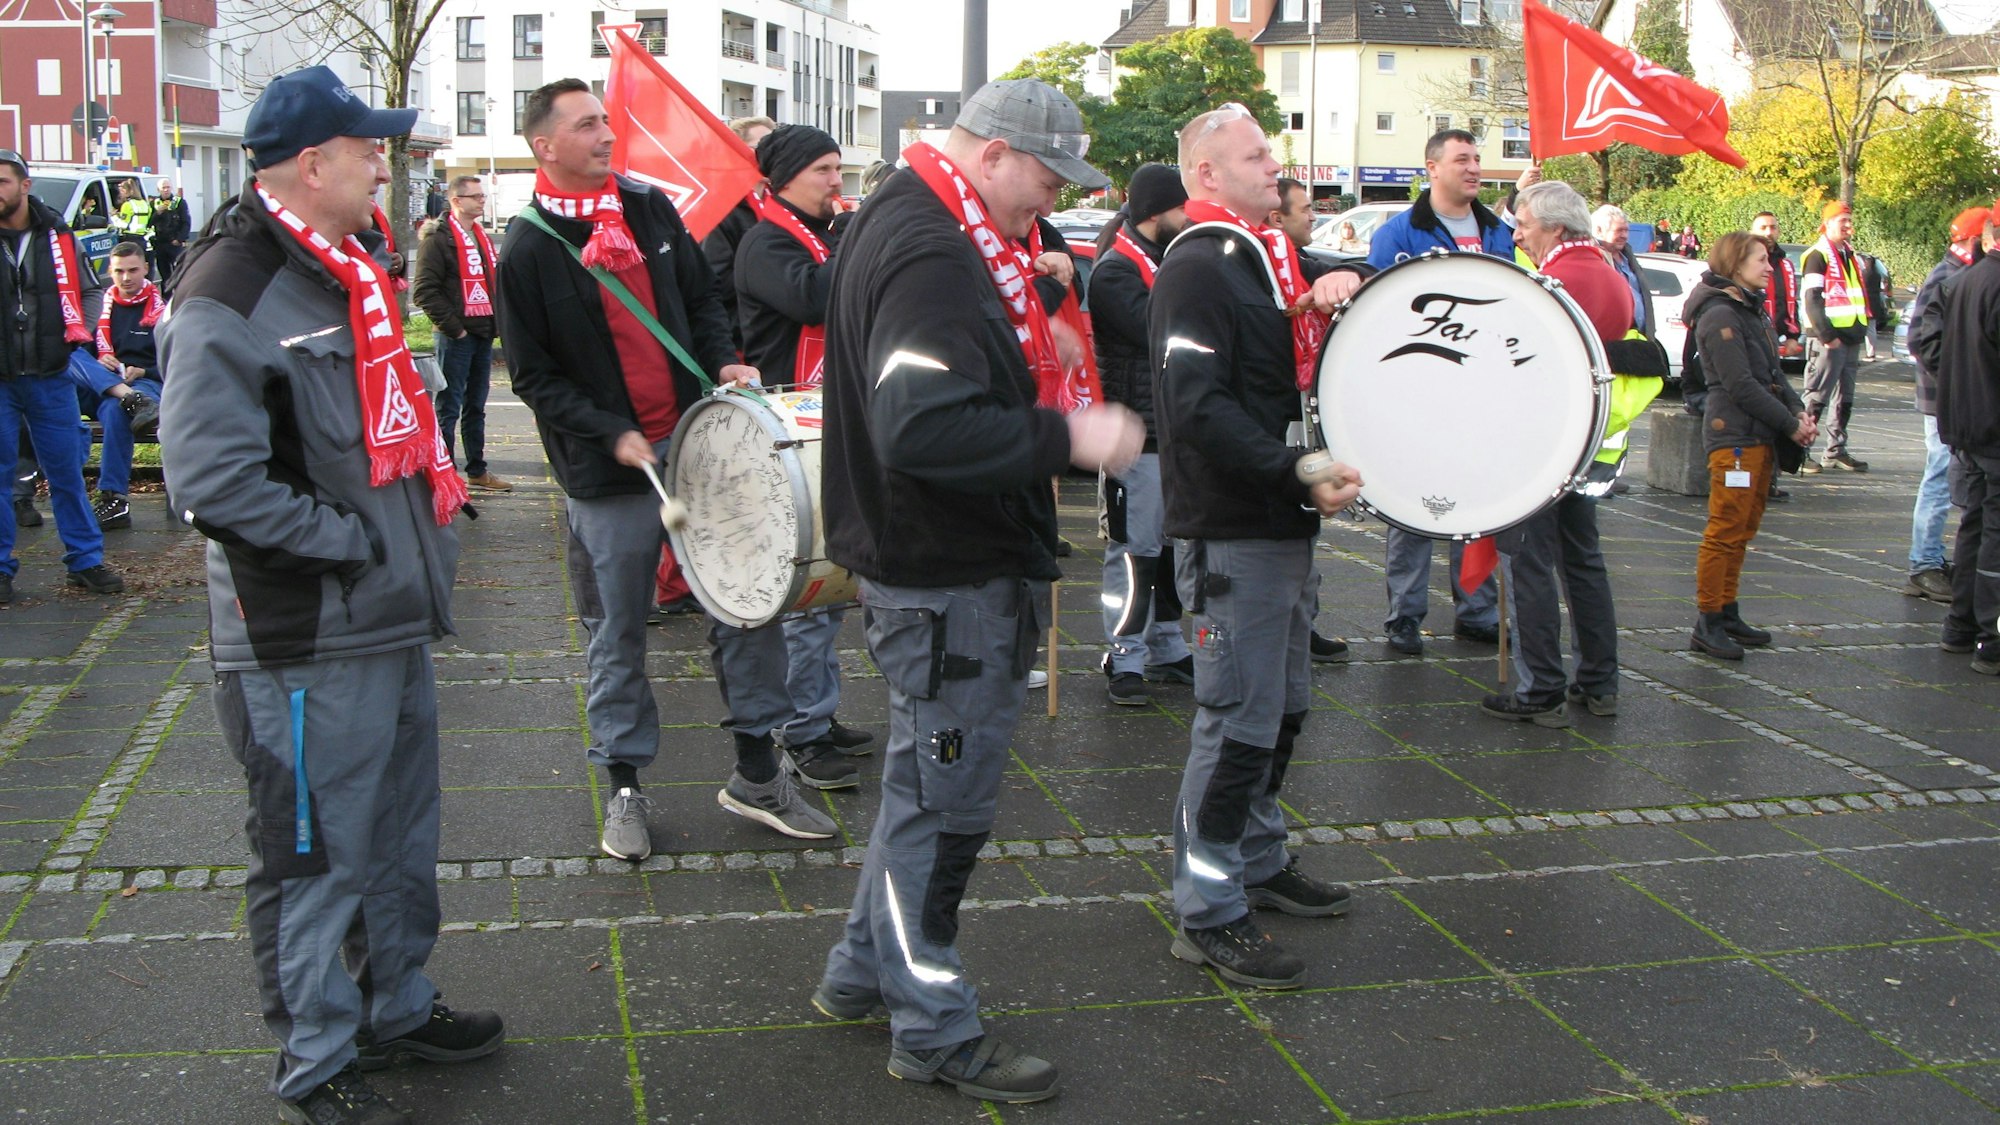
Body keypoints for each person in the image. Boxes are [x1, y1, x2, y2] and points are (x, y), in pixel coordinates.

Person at [156, 66, 499, 1123]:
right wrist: (348, 547)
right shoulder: (231, 289)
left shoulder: (343, 266)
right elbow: (210, 483)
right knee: (313, 853)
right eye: (369, 151)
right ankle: (316, 1058)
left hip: (385, 614)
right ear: (313, 164)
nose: (383, 168)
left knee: (397, 832)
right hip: (307, 632)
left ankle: (395, 1005)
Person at [811, 78, 1141, 1103]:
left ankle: (861, 973)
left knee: (921, 791)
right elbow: (919, 427)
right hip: (942, 578)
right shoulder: (927, 248)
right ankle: (934, 1027)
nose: (1046, 201)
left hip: (930, 571)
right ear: (991, 151)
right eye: (1045, 175)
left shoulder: (909, 215)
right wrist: (1066, 435)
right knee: (940, 812)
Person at [497, 79, 836, 859]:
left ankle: (757, 772)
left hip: (700, 449)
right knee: (617, 632)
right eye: (587, 125)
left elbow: (703, 295)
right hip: (609, 472)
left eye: (606, 119)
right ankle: (622, 784)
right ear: (545, 145)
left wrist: (724, 357)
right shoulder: (526, 246)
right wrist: (608, 431)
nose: (607, 134)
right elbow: (534, 377)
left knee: (750, 607)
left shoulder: (648, 208)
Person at [1150, 102, 1366, 990]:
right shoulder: (1197, 269)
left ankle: (1259, 858)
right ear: (1207, 174)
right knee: (1236, 727)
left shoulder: (1259, 258)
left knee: (1280, 710)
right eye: (1256, 157)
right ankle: (1207, 911)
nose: (1274, 167)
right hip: (1237, 527)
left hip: (1276, 521)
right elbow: (1197, 409)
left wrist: (1327, 285)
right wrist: (1295, 469)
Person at [730, 123, 876, 776]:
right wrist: (853, 240)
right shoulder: (765, 241)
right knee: (807, 593)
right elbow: (814, 298)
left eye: (838, 169)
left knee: (832, 588)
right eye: (822, 170)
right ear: (784, 176)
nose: (834, 183)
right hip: (786, 431)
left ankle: (817, 712)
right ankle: (800, 730)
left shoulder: (820, 234)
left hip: (823, 423)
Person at [1479, 181, 1631, 723]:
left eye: (1524, 222)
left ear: (1557, 228)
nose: (1517, 232)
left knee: (1529, 565)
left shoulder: (1552, 283)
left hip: (1540, 447)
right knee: (1583, 563)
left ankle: (1540, 686)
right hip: (1590, 443)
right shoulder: (1613, 277)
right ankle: (1599, 680)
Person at [1365, 129, 1510, 655]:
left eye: (1477, 158)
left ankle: (1477, 610)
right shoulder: (1399, 234)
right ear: (1431, 168)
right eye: (1462, 159)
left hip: (1480, 396)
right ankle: (1404, 616)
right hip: (1419, 395)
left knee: (1475, 505)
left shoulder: (1498, 232)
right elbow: (1378, 318)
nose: (1474, 168)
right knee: (1415, 507)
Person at [1681, 232, 1815, 661]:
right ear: (1735, 264)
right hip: (1735, 438)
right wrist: (1791, 424)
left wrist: (1798, 413)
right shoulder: (1720, 313)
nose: (1769, 266)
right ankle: (1708, 622)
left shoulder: (1749, 310)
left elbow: (1774, 374)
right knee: (1724, 529)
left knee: (1742, 529)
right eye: (1761, 259)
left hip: (1756, 436)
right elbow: (1740, 385)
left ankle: (1727, 610)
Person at [1089, 162, 1193, 705]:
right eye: (1183, 208)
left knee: (1171, 548)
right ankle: (1124, 653)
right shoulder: (1116, 272)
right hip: (1139, 436)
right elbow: (1162, 330)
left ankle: (1167, 643)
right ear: (1157, 213)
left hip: (1171, 432)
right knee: (1134, 551)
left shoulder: (1161, 258)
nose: (1190, 217)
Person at [0, 149, 123, 606]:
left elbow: (91, 291)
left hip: (51, 376)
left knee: (67, 473)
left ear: (24, 185)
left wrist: (75, 336)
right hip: (1, 378)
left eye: (2, 182)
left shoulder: (58, 235)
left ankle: (85, 560)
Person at [1267, 176, 1353, 663]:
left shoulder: (1300, 264)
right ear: (1278, 219)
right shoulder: (1258, 267)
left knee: (1307, 527)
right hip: (1276, 431)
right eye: (1304, 209)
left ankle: (1306, 623)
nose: (1314, 217)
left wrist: (1347, 273)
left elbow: (1359, 268)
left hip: (1305, 424)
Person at [1902, 207, 1985, 605]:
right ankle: (1924, 565)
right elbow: (1921, 341)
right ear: (1975, 239)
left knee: (1945, 477)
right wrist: (1958, 376)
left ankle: (1931, 561)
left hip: (1944, 396)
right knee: (1938, 477)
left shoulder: (1953, 273)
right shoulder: (1948, 276)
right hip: (1942, 398)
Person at [1929, 215, 2000, 675]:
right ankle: (1991, 639)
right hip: (1991, 426)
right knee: (1993, 531)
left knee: (1976, 523)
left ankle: (1961, 625)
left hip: (1968, 424)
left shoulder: (1967, 279)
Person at [413, 174, 510, 492]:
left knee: (475, 405)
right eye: (475, 197)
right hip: (456, 336)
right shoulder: (438, 238)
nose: (482, 200)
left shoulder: (480, 236)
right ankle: (442, 474)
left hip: (482, 333)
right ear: (456, 201)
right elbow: (425, 291)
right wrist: (455, 330)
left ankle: (477, 470)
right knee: (448, 406)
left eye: (483, 196)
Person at [77, 241, 163, 529]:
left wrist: (143, 371)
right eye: (118, 271)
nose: (126, 278)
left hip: (145, 386)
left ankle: (114, 498)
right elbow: (80, 356)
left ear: (146, 269)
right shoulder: (98, 307)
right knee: (61, 365)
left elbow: (177, 363)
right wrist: (101, 361)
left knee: (116, 410)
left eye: (133, 270)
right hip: (101, 385)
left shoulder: (162, 312)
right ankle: (25, 493)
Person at [1800, 201, 1870, 473]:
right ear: (1828, 223)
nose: (1849, 227)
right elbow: (1812, 299)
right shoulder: (1818, 255)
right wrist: (1827, 335)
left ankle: (1836, 451)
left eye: (1850, 221)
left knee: (1845, 398)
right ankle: (1800, 452)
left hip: (1851, 336)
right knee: (1816, 397)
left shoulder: (1848, 254)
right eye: (1843, 221)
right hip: (1829, 339)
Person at [1591, 204, 1652, 337]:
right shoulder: (1594, 260)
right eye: (1619, 231)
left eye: (1626, 230)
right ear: (1599, 230)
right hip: (1614, 341)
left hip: (1640, 338)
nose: (1624, 235)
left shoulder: (1628, 257)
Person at [150, 182, 190, 281]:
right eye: (163, 188)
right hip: (160, 243)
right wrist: (158, 213)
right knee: (165, 276)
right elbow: (148, 223)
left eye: (168, 187)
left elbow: (186, 222)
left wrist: (180, 239)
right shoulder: (154, 203)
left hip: (174, 243)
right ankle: (165, 296)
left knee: (179, 273)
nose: (166, 190)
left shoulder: (179, 202)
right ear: (158, 190)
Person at [112, 180, 155, 273]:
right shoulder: (145, 204)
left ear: (128, 191)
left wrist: (114, 217)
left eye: (122, 190)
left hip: (130, 239)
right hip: (142, 239)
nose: (120, 193)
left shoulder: (127, 205)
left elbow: (123, 224)